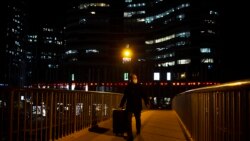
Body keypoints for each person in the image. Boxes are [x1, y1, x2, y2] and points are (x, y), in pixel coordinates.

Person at [119, 73, 149, 141]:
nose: (135, 79)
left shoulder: (140, 86)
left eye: (136, 78)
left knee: (138, 119)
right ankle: (130, 135)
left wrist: (146, 102)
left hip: (137, 106)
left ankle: (138, 130)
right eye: (133, 78)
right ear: (131, 79)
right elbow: (125, 96)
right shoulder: (128, 87)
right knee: (128, 121)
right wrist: (121, 104)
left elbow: (144, 95)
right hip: (129, 106)